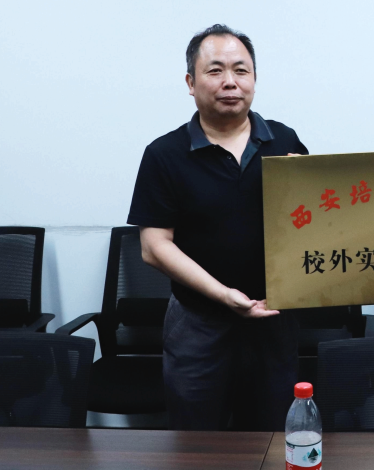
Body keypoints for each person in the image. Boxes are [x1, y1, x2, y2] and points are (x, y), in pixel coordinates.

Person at [128, 24, 307, 430]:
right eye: (215, 70)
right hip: (198, 322)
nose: (230, 82)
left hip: (274, 318)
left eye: (241, 70)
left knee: (271, 436)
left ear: (255, 79)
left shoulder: (285, 141)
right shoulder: (164, 154)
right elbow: (154, 246)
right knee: (198, 441)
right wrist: (223, 294)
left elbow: (310, 223)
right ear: (190, 83)